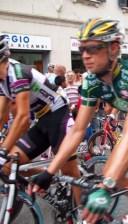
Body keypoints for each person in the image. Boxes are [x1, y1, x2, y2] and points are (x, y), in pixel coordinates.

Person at [29, 18, 128, 224]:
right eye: (82, 48)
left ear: (113, 48)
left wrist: (105, 188)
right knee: (109, 173)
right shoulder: (92, 82)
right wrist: (49, 172)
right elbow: (77, 130)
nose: (85, 55)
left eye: (93, 48)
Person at [0, 35, 81, 204]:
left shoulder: (17, 73)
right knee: (9, 165)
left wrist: (2, 151)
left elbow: (22, 118)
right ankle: (48, 175)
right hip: (42, 119)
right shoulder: (2, 81)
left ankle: (82, 213)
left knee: (69, 171)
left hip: (59, 114)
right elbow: (2, 116)